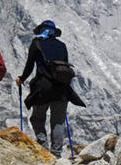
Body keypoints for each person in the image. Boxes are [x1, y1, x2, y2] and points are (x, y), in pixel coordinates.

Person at [15, 19, 85, 157]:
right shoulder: (62, 46)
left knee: (37, 118)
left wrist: (21, 79)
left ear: (41, 30)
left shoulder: (36, 43)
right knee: (58, 121)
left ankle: (43, 146)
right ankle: (56, 154)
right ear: (54, 32)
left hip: (43, 88)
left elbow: (30, 66)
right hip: (62, 89)